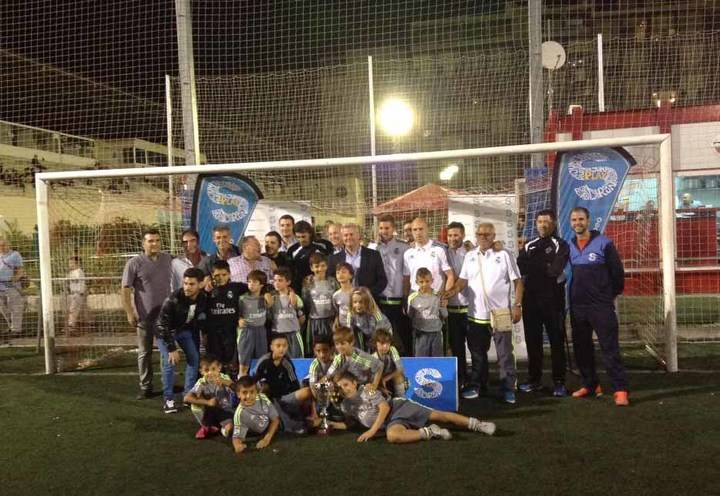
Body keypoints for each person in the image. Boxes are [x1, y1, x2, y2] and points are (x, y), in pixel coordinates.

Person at [447, 223, 524, 404]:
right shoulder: (470, 256)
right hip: (476, 314)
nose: (483, 237)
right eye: (480, 234)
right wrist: (451, 291)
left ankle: (508, 388)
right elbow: (462, 281)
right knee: (477, 354)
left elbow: (518, 282)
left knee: (504, 353)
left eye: (487, 234)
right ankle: (477, 385)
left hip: (501, 313)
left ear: (493, 235)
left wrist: (518, 305)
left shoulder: (504, 254)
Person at [567, 207, 629, 406]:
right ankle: (590, 384)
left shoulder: (604, 243)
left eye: (581, 219)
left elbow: (618, 274)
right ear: (570, 222)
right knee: (582, 349)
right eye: (574, 219)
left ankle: (620, 389)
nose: (578, 223)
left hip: (600, 307)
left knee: (609, 348)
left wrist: (608, 296)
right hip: (578, 307)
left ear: (588, 220)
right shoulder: (569, 245)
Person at [330, 371, 496, 443]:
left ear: (354, 383)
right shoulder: (345, 405)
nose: (344, 388)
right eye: (340, 386)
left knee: (440, 416)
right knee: (392, 437)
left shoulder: (367, 390)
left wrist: (372, 431)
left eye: (346, 384)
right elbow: (352, 423)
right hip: (391, 423)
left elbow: (384, 408)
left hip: (396, 409)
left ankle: (477, 425)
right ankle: (431, 432)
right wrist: (331, 424)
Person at [517, 209, 570, 397]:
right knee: (533, 342)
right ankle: (534, 380)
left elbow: (555, 270)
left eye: (546, 221)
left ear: (553, 223)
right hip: (530, 301)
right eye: (539, 221)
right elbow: (519, 267)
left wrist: (536, 267)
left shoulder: (560, 244)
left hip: (553, 302)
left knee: (556, 341)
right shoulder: (530, 245)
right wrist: (542, 265)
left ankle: (559, 382)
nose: (542, 224)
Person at [121, 228, 173, 400]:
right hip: (145, 316)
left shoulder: (168, 259)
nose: (154, 244)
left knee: (167, 351)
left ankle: (168, 383)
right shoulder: (134, 263)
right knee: (145, 352)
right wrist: (129, 312)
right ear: (143, 243)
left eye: (157, 240)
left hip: (165, 317)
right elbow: (125, 289)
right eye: (150, 241)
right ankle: (146, 386)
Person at [154, 267, 207, 413]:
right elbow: (161, 324)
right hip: (165, 332)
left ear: (200, 284)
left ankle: (188, 396)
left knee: (194, 359)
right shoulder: (174, 298)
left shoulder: (203, 297)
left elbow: (200, 317)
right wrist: (171, 348)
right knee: (169, 363)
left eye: (191, 284)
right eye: (185, 283)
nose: (187, 287)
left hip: (184, 331)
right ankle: (168, 399)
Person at [368, 214, 411, 355]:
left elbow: (407, 275)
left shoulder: (404, 247)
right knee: (382, 337)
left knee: (401, 337)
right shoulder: (374, 248)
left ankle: (403, 367)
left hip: (398, 301)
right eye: (381, 228)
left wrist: (405, 297)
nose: (384, 231)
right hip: (380, 301)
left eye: (387, 228)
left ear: (393, 229)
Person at [232, 374, 305, 455]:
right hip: (282, 423)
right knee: (306, 425)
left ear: (256, 391)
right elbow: (237, 437)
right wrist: (237, 446)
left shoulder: (262, 397)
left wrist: (266, 439)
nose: (249, 396)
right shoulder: (239, 414)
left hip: (281, 413)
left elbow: (275, 420)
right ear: (238, 394)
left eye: (252, 392)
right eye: (244, 392)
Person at [205, 260, 247, 375]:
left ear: (229, 274)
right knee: (216, 359)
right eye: (217, 275)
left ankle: (231, 382)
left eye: (224, 274)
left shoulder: (236, 287)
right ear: (212, 276)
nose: (221, 278)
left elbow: (256, 286)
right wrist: (204, 291)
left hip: (231, 330)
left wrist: (268, 291)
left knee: (231, 359)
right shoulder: (208, 290)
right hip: (213, 331)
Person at [327, 223, 387, 300]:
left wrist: (367, 294)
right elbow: (331, 282)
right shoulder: (333, 259)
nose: (348, 237)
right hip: (344, 303)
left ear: (359, 236)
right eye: (345, 235)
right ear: (342, 237)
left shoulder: (373, 255)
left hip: (368, 302)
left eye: (351, 234)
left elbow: (382, 281)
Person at [184, 356, 236, 439]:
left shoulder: (224, 378)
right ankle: (207, 426)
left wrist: (225, 382)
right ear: (201, 372)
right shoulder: (201, 382)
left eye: (213, 369)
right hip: (209, 411)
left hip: (225, 410)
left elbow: (238, 389)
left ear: (219, 368)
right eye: (207, 370)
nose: (210, 373)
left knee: (230, 429)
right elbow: (186, 398)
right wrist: (207, 402)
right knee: (196, 405)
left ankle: (219, 429)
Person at [445, 222, 470, 388]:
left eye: (456, 235)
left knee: (476, 348)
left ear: (463, 235)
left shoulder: (471, 252)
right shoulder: (442, 252)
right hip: (453, 309)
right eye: (450, 235)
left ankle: (477, 381)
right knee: (457, 347)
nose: (453, 238)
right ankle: (462, 379)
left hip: (471, 308)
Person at [402, 218, 454, 296]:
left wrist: (445, 296)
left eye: (421, 229)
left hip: (435, 300)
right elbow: (406, 279)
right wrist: (406, 298)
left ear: (427, 230)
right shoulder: (408, 254)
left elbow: (450, 275)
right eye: (415, 230)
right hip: (415, 301)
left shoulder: (439, 250)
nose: (418, 232)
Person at [407, 268, 447, 357]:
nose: (424, 284)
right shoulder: (412, 298)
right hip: (420, 334)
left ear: (432, 281)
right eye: (421, 282)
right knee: (421, 363)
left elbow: (445, 314)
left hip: (436, 334)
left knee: (437, 363)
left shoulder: (438, 296)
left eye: (427, 281)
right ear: (416, 282)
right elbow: (410, 315)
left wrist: (443, 306)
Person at [237, 270, 270, 377]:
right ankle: (241, 383)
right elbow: (235, 314)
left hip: (261, 331)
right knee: (244, 363)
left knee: (261, 362)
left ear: (262, 284)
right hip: (247, 331)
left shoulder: (266, 297)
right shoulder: (242, 298)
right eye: (249, 282)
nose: (251, 284)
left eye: (254, 282)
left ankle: (259, 387)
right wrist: (238, 320)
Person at [302, 252, 339, 347]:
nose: (320, 269)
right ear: (312, 268)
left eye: (323, 266)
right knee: (317, 346)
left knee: (332, 346)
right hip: (315, 320)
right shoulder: (308, 282)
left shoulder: (332, 282)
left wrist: (337, 317)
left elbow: (337, 300)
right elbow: (306, 301)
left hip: (330, 320)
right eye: (317, 266)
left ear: (327, 266)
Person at [267, 268, 305, 358]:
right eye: (275, 280)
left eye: (280, 280)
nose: (276, 283)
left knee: (297, 359)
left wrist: (293, 327)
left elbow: (302, 317)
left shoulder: (295, 297)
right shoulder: (271, 298)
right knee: (279, 360)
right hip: (278, 334)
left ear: (288, 282)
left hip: (293, 334)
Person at [287, 220, 331, 292]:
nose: (301, 240)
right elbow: (290, 270)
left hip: (319, 286)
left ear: (310, 234)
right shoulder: (292, 250)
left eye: (303, 236)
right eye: (298, 237)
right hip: (299, 287)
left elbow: (327, 266)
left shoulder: (321, 247)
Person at [350, 287, 392, 352]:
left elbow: (381, 334)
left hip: (381, 334)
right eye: (355, 302)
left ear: (367, 302)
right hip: (366, 335)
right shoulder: (351, 315)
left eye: (361, 302)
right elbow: (350, 332)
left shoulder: (377, 316)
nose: (358, 305)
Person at [0, 237, 25, 334]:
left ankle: (16, 329)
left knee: (15, 306)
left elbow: (20, 270)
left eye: (3, 245)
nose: (1, 247)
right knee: (2, 306)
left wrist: (14, 280)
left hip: (11, 284)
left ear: (8, 245)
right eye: (0, 246)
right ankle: (11, 325)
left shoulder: (15, 255)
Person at [372, 328, 406, 398]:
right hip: (378, 379)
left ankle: (401, 399)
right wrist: (381, 386)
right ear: (376, 343)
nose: (385, 346)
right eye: (382, 343)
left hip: (390, 375)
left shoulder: (392, 350)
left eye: (387, 343)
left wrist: (386, 379)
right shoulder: (373, 357)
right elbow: (372, 379)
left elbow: (400, 368)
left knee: (399, 377)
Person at [65, 256, 89, 336]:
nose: (69, 265)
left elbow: (74, 279)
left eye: (71, 263)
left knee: (73, 310)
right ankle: (71, 326)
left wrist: (68, 275)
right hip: (74, 294)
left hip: (77, 294)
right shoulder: (72, 272)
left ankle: (71, 327)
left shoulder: (78, 271)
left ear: (77, 263)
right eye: (69, 263)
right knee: (73, 310)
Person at [331, 262, 355, 328]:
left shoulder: (357, 292)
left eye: (343, 272)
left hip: (356, 327)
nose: (340, 275)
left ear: (351, 275)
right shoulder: (335, 295)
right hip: (343, 328)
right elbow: (336, 311)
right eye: (338, 272)